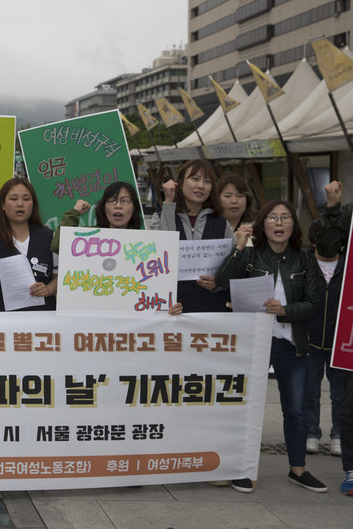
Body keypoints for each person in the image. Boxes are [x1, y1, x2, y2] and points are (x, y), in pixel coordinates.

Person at [215, 199, 326, 493]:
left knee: (297, 411)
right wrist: (239, 248)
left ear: (293, 225)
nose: (279, 223)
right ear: (263, 223)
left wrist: (285, 310)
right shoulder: (251, 256)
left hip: (292, 344)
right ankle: (240, 468)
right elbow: (221, 280)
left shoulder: (305, 260)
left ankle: (298, 469)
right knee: (245, 408)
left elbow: (313, 304)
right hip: (254, 343)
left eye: (285, 218)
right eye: (273, 218)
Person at [51, 182, 182, 316]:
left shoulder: (145, 244)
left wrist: (169, 306)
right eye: (112, 201)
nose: (118, 206)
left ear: (134, 208)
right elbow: (57, 246)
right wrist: (74, 213)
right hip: (92, 319)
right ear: (103, 207)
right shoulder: (88, 237)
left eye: (125, 201)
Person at [149, 159, 232, 313]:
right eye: (195, 179)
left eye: (207, 181)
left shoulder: (221, 223)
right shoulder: (160, 216)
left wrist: (219, 283)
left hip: (211, 312)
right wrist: (168, 203)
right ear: (179, 182)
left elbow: (233, 269)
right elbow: (158, 254)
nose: (201, 185)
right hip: (171, 309)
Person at [302, 219, 344, 458]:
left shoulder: (348, 267)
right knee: (310, 390)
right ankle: (311, 433)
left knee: (340, 393)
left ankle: (338, 435)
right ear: (315, 240)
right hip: (310, 338)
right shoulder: (305, 264)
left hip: (341, 343)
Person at [0, 178, 57, 312]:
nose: (20, 204)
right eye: (13, 199)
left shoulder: (50, 236)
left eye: (26, 199)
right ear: (3, 205)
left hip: (42, 321)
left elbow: (60, 276)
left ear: (33, 204)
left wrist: (48, 289)